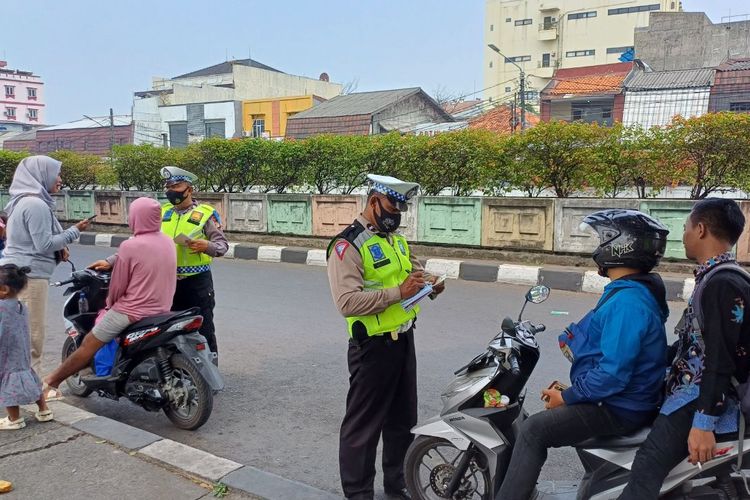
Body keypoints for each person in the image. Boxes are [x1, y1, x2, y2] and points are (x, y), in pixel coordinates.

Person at [496, 209, 671, 500]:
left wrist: (568, 397)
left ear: (617, 246)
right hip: (623, 398)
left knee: (533, 430)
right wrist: (574, 391)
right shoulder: (635, 291)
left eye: (601, 240)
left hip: (620, 408)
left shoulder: (627, 302)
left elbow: (613, 374)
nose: (597, 248)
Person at [619, 199, 750, 500]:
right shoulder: (716, 277)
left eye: (686, 227)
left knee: (647, 466)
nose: (684, 234)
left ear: (701, 229)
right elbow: (695, 346)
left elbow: (719, 359)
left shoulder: (722, 284)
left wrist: (704, 423)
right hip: (693, 389)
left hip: (701, 397)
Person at [327, 174, 446, 500]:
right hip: (372, 350)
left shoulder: (396, 241)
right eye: (393, 205)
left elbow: (413, 275)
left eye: (401, 208)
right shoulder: (347, 245)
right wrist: (398, 292)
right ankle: (359, 493)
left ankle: (398, 485)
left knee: (402, 422)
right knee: (362, 429)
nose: (397, 213)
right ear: (373, 201)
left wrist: (430, 284)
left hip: (404, 342)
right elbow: (346, 302)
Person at [91, 166, 227, 363]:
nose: (171, 191)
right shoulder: (161, 213)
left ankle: (210, 367)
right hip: (165, 283)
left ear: (189, 189)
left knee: (203, 327)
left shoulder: (205, 215)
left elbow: (222, 246)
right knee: (166, 327)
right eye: (168, 186)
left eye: (177, 186)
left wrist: (207, 246)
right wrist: (111, 261)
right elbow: (139, 243)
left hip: (196, 283)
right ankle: (175, 367)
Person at [44, 197, 176, 390]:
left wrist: (110, 304)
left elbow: (117, 286)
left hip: (132, 310)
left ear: (135, 218)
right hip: (163, 307)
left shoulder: (130, 246)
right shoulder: (167, 241)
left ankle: (51, 382)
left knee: (89, 342)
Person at [0, 156, 90, 400]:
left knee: (21, 334)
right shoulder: (35, 205)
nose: (59, 179)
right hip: (29, 277)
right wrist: (75, 232)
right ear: (41, 175)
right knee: (32, 335)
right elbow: (44, 244)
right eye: (56, 174)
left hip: (18, 271)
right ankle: (33, 391)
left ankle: (22, 387)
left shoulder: (23, 202)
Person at [0, 264, 53, 430]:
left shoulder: (1, 308)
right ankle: (44, 410)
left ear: (3, 289)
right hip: (21, 351)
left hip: (7, 353)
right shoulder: (20, 305)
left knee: (9, 385)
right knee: (30, 378)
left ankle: (14, 418)